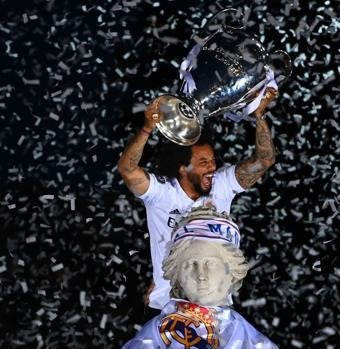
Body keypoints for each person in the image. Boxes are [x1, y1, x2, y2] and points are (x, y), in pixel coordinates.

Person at [117, 88, 278, 313]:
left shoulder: (221, 185)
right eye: (203, 162)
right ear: (183, 168)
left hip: (216, 307)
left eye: (212, 160)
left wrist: (259, 116)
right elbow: (127, 169)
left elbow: (264, 160)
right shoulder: (162, 193)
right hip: (171, 306)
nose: (212, 167)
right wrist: (147, 128)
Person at [122, 207, 278, 348]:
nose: (201, 275)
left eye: (210, 264)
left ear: (231, 272)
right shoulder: (157, 334)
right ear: (178, 277)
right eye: (189, 265)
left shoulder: (254, 342)